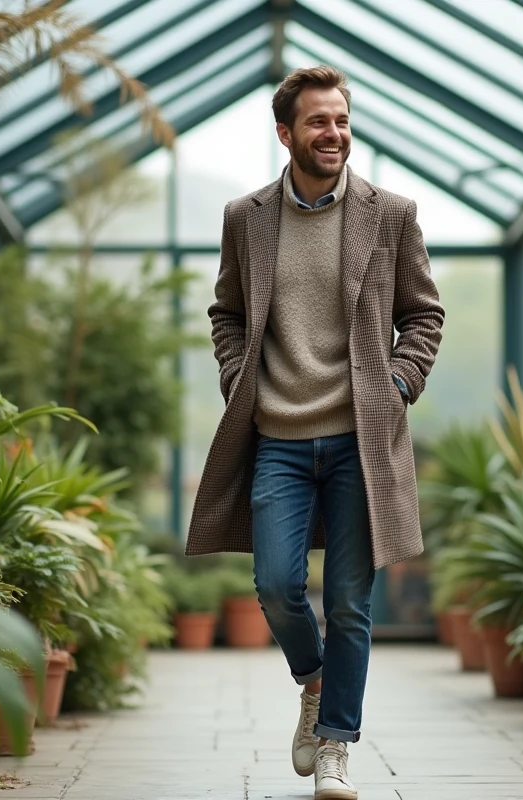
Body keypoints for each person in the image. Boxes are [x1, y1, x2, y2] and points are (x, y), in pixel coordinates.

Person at [185, 64, 444, 800]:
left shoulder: (391, 213)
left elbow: (423, 315)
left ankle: (336, 745)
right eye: (318, 122)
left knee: (351, 603)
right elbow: (227, 314)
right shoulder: (246, 217)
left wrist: (398, 384)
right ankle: (316, 679)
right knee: (274, 585)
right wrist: (237, 377)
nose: (334, 133)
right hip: (278, 437)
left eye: (341, 120)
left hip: (362, 440)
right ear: (286, 133)